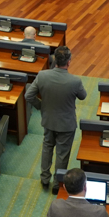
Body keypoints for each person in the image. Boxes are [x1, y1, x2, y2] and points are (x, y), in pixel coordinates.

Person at [26, 46, 87, 193]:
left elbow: (28, 96)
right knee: (62, 155)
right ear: (69, 62)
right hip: (66, 125)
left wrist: (41, 106)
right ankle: (57, 184)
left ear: (54, 60)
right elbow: (83, 96)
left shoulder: (42, 75)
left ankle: (44, 179)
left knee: (47, 148)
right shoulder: (75, 81)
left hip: (48, 121)